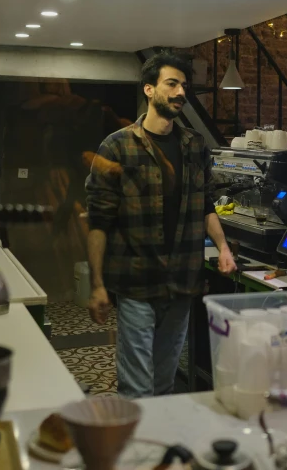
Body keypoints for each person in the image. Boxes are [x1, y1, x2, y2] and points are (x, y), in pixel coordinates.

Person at [86, 51, 236, 398]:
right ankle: (136, 449)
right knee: (137, 388)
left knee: (165, 384)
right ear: (150, 90)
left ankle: (159, 449)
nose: (181, 92)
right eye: (172, 84)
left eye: (184, 85)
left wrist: (224, 249)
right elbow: (99, 221)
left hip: (183, 281)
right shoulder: (117, 146)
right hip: (137, 281)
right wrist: (97, 285)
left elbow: (206, 204)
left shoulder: (194, 145)